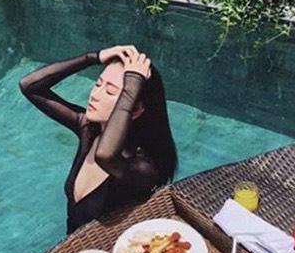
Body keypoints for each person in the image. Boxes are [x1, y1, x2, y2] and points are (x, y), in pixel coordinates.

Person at [19, 44, 178, 234]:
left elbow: (105, 156)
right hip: (73, 245)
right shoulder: (89, 129)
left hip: (109, 250)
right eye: (98, 84)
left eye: (110, 91)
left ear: (134, 109)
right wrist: (92, 57)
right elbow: (29, 86)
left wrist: (133, 83)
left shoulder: (143, 168)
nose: (94, 95)